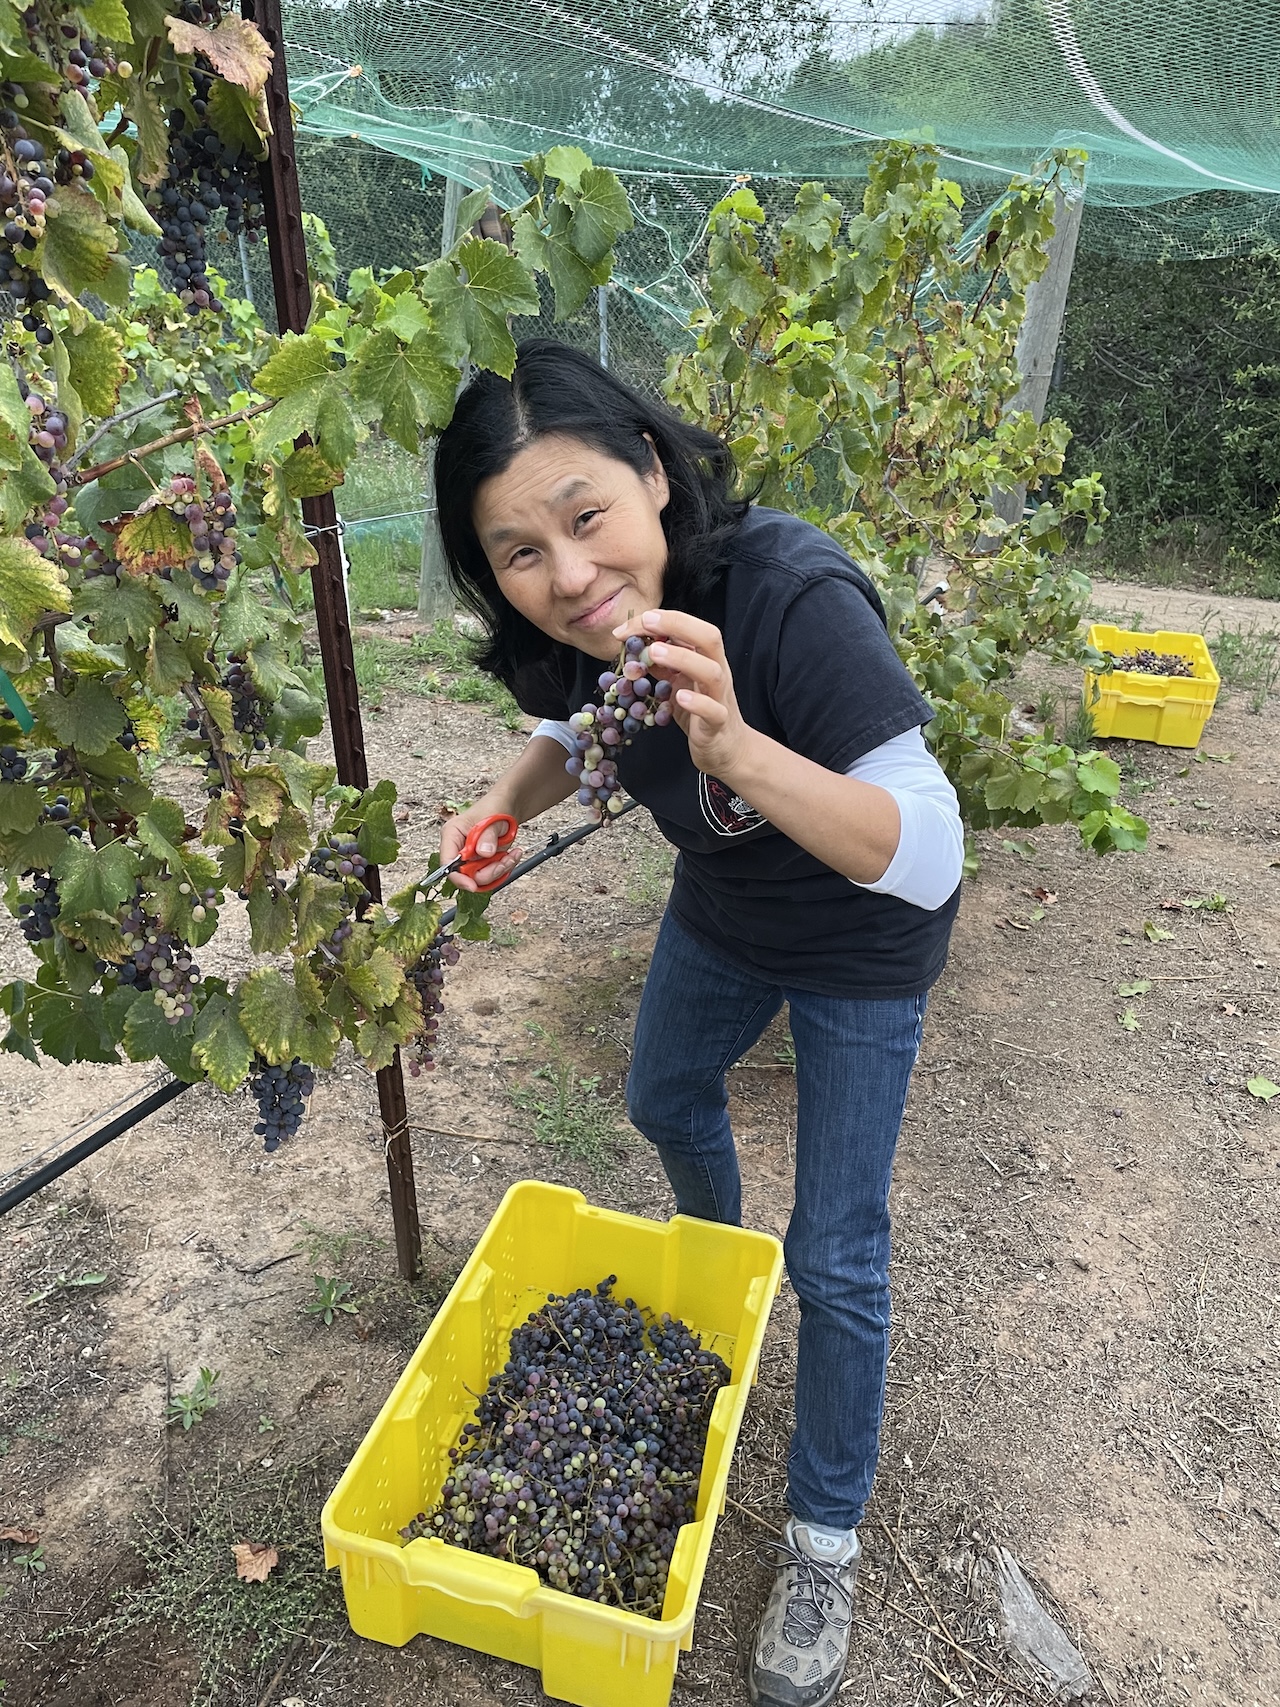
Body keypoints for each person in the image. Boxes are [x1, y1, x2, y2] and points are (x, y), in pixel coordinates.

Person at [433, 340, 964, 1707]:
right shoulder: (572, 633)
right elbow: (574, 733)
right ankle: (723, 1286)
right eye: (518, 551)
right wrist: (502, 812)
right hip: (726, 910)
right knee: (665, 1096)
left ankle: (825, 1539)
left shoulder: (791, 597)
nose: (566, 572)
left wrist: (737, 753)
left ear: (655, 478)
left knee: (838, 1252)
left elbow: (927, 850)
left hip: (860, 936)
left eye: (586, 515)